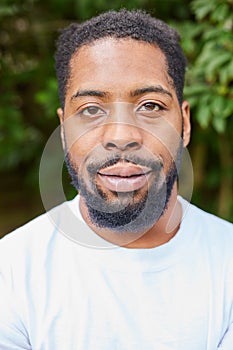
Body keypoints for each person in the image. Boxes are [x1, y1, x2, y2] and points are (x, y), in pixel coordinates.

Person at [0, 9, 232, 350]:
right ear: (64, 130)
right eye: (92, 109)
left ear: (184, 123)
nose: (121, 135)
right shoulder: (11, 273)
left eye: (150, 106)